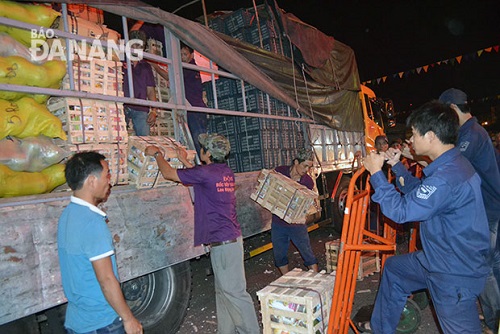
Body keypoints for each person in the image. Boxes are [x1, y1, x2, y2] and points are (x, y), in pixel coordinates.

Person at [361, 101, 490, 334]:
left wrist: (376, 174)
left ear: (430, 136)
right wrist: (397, 165)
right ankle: (382, 329)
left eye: (414, 134)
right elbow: (420, 195)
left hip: (453, 272)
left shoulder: (446, 177)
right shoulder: (451, 166)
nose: (411, 140)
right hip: (438, 259)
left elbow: (400, 211)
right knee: (395, 270)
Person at [144, 134, 260, 334]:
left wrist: (157, 154)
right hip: (228, 241)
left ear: (207, 153)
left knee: (234, 294)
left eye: (203, 148)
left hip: (224, 244)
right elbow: (201, 176)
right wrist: (183, 159)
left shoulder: (207, 173)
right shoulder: (225, 172)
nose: (201, 150)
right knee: (224, 293)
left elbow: (169, 174)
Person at [58, 152, 142, 334]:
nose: (109, 182)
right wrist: (128, 319)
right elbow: (106, 280)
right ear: (91, 181)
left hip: (77, 320)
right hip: (102, 323)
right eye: (107, 175)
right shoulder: (92, 222)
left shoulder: (68, 215)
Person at [439, 88, 500, 332]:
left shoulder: (471, 134)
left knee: (482, 267)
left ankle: (495, 321)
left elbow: (452, 166)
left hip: (487, 211)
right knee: (494, 264)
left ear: (453, 109)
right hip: (491, 207)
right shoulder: (473, 132)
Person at [271, 149, 319, 275]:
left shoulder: (307, 181)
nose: (306, 170)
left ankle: (316, 279)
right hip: (278, 222)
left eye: (309, 167)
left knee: (307, 252)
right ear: (296, 162)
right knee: (279, 254)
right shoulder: (280, 172)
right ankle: (286, 279)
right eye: (305, 166)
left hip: (296, 224)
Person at [123, 30, 157, 136]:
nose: (136, 48)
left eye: (139, 46)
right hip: (122, 105)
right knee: (119, 137)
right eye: (134, 44)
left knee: (144, 140)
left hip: (141, 107)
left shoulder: (146, 66)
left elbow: (151, 90)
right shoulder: (120, 60)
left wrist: (154, 110)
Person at [181, 42, 208, 155]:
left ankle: (203, 166)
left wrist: (155, 66)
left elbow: (170, 76)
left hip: (194, 110)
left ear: (191, 55)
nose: (182, 57)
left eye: (184, 54)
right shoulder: (189, 68)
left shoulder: (188, 68)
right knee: (197, 141)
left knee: (198, 142)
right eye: (180, 54)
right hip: (195, 109)